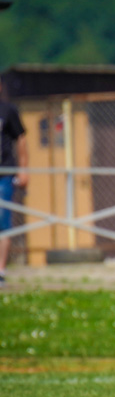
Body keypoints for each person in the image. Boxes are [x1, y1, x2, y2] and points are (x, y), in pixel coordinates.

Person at [0, 78, 29, 288]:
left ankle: (0, 270)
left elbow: (21, 138)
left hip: (4, 173)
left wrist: (23, 169)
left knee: (3, 222)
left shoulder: (8, 111)